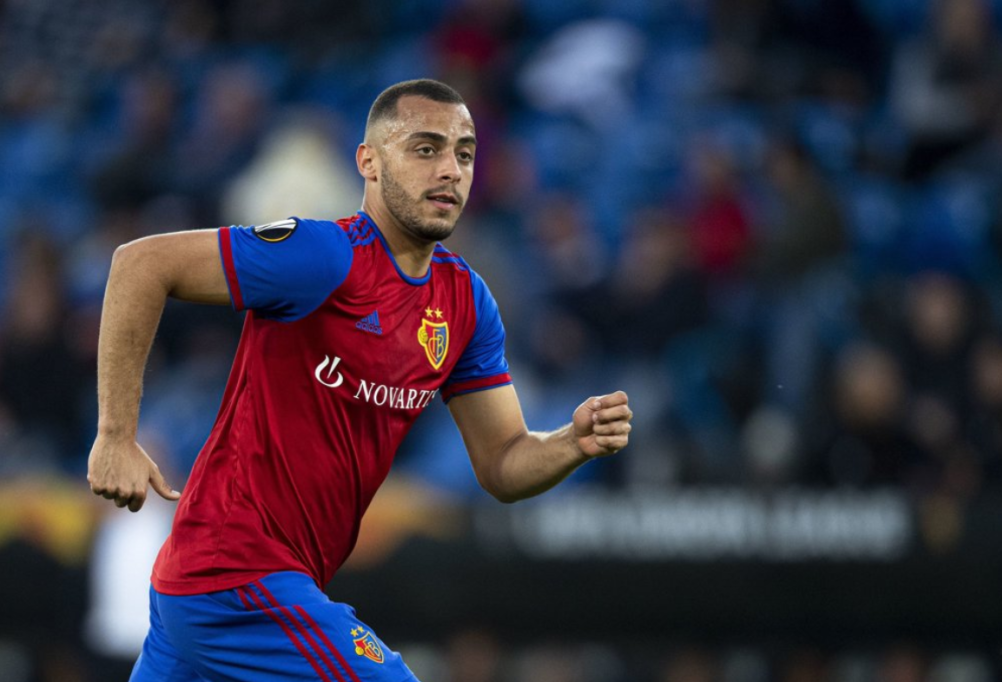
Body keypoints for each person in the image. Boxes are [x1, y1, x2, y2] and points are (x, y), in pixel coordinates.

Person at [86, 78, 633, 682]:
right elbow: (140, 264)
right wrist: (115, 435)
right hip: (234, 575)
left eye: (464, 153)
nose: (450, 170)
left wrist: (571, 443)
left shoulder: (467, 303)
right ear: (369, 163)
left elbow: (502, 462)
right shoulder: (323, 256)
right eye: (425, 149)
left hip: (214, 584)